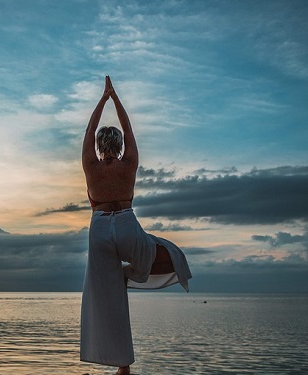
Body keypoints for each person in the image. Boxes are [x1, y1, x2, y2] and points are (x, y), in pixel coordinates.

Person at [80, 76, 192, 375]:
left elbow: (89, 130)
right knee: (156, 253)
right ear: (118, 145)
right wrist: (115, 98)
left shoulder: (90, 166)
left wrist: (101, 99)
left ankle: (122, 366)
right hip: (127, 223)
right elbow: (128, 129)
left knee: (107, 296)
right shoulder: (128, 163)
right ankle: (133, 274)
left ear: (99, 146)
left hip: (100, 227)